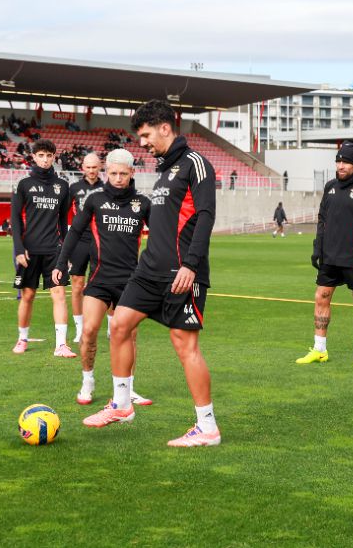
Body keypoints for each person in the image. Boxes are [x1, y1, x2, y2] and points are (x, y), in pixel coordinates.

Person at [83, 100, 220, 448]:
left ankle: (207, 427)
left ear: (164, 127)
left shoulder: (195, 164)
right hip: (148, 270)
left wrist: (190, 264)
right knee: (120, 324)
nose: (142, 143)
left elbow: (205, 215)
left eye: (145, 135)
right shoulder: (164, 170)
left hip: (181, 272)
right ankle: (122, 405)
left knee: (184, 344)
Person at [55, 148, 152, 408]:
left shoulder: (143, 203)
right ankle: (88, 381)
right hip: (99, 279)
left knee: (129, 336)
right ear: (105, 172)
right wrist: (61, 262)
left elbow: (161, 236)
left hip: (131, 282)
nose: (118, 178)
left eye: (123, 173)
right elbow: (74, 232)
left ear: (132, 173)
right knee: (88, 331)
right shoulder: (94, 200)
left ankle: (128, 388)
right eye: (113, 173)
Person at [296, 141, 353, 369]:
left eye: (346, 161)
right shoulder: (330, 186)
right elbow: (322, 218)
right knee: (321, 297)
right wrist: (317, 248)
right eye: (339, 160)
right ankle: (319, 349)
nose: (341, 165)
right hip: (330, 257)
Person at [11, 140, 75, 357]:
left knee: (59, 295)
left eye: (49, 155)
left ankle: (61, 345)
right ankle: (22, 339)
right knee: (28, 296)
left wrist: (65, 254)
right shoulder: (24, 184)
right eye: (41, 155)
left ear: (54, 156)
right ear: (34, 157)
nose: (45, 159)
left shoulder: (63, 186)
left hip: (54, 250)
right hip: (29, 251)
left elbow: (63, 223)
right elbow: (16, 220)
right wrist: (19, 249)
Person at [66, 153, 104, 344]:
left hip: (100, 241)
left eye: (94, 167)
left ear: (100, 167)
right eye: (88, 167)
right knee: (77, 285)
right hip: (79, 241)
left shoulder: (107, 188)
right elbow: (63, 215)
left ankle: (111, 327)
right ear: (82, 167)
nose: (91, 170)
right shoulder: (74, 188)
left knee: (106, 282)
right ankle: (80, 329)